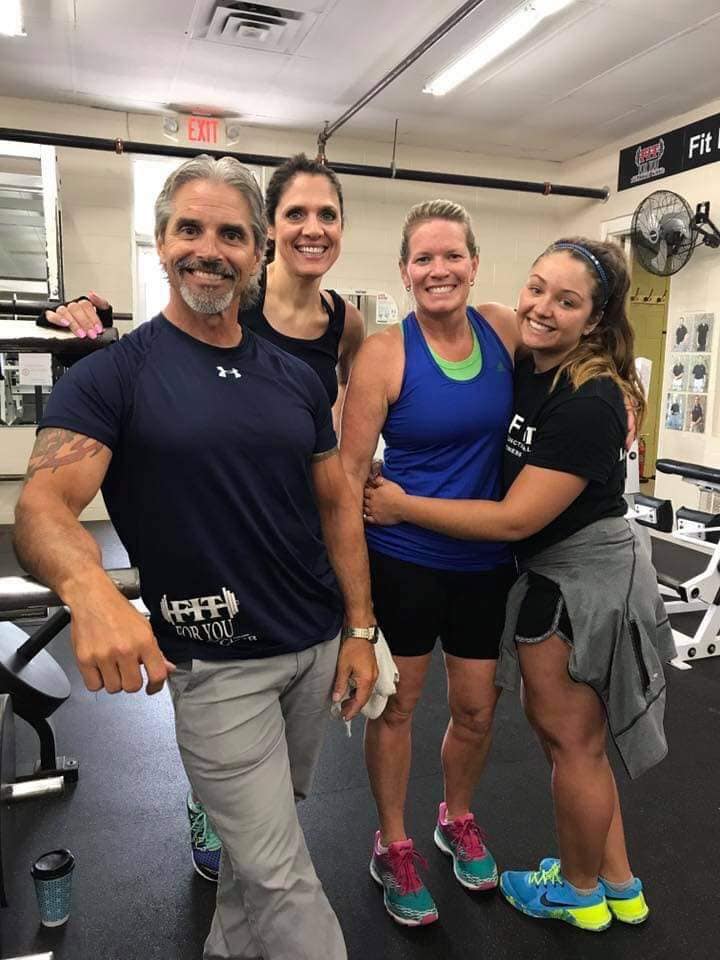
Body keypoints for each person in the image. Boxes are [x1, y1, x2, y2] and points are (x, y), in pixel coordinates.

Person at [14, 154, 379, 960]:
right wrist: (90, 587)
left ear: (258, 254)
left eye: (231, 235)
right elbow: (40, 507)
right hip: (218, 670)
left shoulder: (292, 377)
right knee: (283, 875)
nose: (209, 249)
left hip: (314, 647)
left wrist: (359, 627)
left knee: (256, 859)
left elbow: (334, 505)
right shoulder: (113, 376)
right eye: (191, 229)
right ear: (161, 241)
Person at [363, 237, 676, 933]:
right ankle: (618, 885)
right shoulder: (530, 360)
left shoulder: (591, 399)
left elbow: (512, 520)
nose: (541, 307)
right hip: (511, 568)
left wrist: (402, 503)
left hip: (577, 577)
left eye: (566, 301)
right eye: (537, 288)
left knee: (570, 743)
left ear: (594, 319)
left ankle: (578, 890)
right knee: (576, 742)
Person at [340, 200, 521, 926]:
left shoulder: (503, 329)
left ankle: (458, 817)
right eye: (424, 258)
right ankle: (393, 843)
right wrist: (355, 611)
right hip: (406, 559)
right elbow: (349, 478)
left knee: (477, 709)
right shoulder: (386, 353)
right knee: (399, 707)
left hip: (485, 559)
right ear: (405, 270)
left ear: (475, 264)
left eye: (452, 256)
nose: (438, 269)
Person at [39, 153, 365, 432]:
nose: (313, 229)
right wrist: (88, 329)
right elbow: (163, 354)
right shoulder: (228, 292)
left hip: (305, 493)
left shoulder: (346, 321)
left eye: (327, 215)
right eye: (295, 213)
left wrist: (346, 459)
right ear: (269, 228)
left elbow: (348, 393)